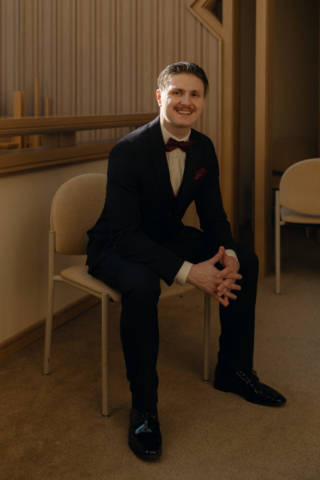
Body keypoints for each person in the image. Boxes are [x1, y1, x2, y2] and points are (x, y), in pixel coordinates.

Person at [86, 62, 286, 461]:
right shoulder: (127, 151)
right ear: (160, 97)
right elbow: (126, 234)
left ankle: (234, 370)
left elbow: (213, 217)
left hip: (165, 236)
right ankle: (144, 408)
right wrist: (187, 272)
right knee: (142, 285)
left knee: (244, 258)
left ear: (203, 102)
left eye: (194, 94)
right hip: (116, 244)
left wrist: (226, 255)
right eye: (177, 92)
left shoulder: (203, 148)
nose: (185, 101)